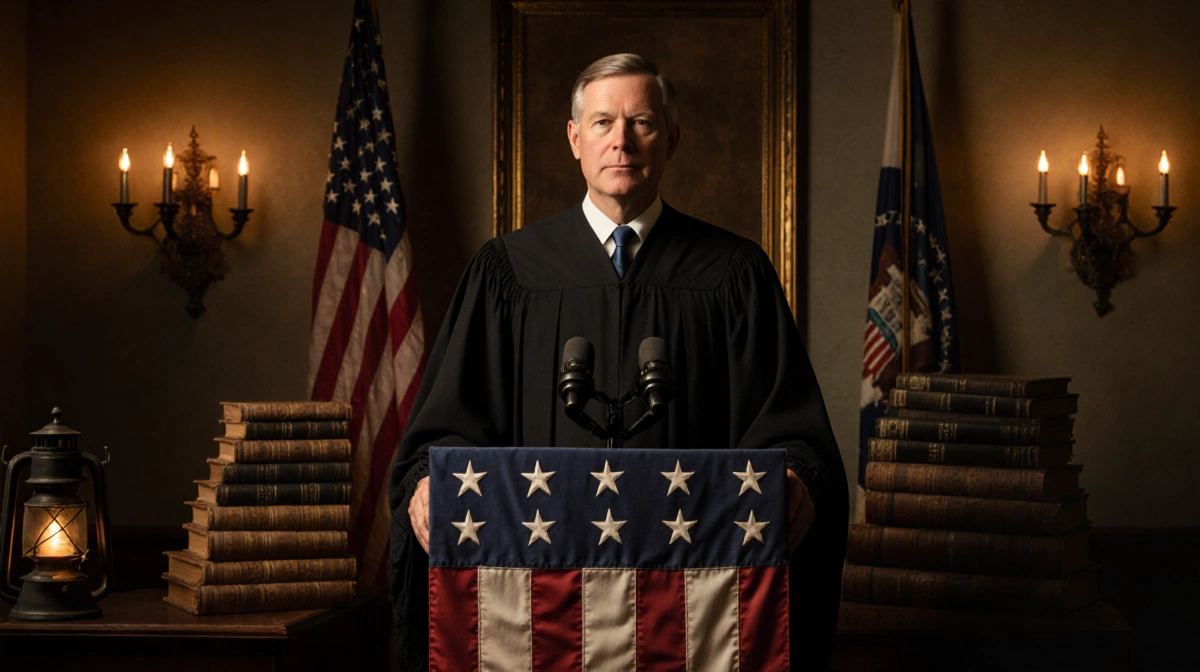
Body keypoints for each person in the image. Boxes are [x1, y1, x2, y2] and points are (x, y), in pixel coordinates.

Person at [388, 53, 848, 670]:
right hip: (544, 606)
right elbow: (444, 427)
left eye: (643, 123)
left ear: (672, 140)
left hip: (689, 607)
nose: (621, 141)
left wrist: (795, 481)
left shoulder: (734, 274)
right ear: (575, 139)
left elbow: (795, 434)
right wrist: (426, 482)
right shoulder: (508, 273)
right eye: (603, 122)